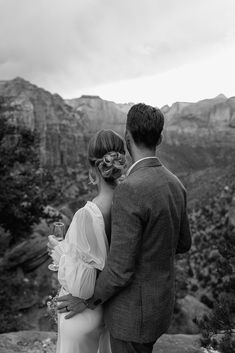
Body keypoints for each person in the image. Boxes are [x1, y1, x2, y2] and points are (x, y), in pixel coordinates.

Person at [57, 103, 192, 353]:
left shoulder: (129, 190)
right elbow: (183, 243)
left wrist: (87, 300)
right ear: (160, 138)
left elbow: (120, 270)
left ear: (127, 136)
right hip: (160, 307)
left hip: (132, 316)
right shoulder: (176, 184)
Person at [49, 129, 127, 353]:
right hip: (113, 311)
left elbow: (81, 286)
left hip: (83, 316)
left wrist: (60, 253)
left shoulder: (88, 214)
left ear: (94, 168)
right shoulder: (129, 204)